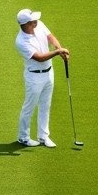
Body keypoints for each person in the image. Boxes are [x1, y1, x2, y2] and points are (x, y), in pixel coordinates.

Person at [14, 8, 69, 148]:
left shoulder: (39, 25)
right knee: (29, 107)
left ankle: (43, 136)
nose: (36, 22)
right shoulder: (21, 41)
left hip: (48, 73)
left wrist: (59, 48)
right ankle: (23, 137)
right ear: (26, 24)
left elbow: (50, 37)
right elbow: (39, 57)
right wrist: (57, 52)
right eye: (33, 21)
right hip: (34, 77)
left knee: (46, 105)